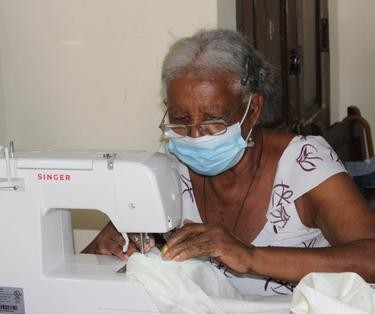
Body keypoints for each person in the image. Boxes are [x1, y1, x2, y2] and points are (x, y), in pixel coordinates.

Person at [83, 29, 375, 296]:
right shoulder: (168, 169)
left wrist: (248, 256)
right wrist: (102, 248)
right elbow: (79, 275)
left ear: (253, 109)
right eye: (181, 119)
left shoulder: (305, 163)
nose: (195, 134)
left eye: (213, 119)